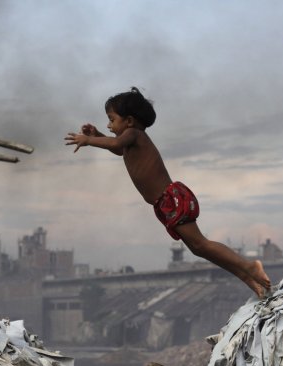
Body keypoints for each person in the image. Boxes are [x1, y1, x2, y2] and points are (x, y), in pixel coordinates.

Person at [65, 87, 272, 298]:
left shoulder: (133, 134)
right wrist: (98, 135)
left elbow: (117, 143)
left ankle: (250, 267)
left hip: (172, 200)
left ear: (128, 121)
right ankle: (249, 277)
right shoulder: (129, 140)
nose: (108, 125)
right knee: (198, 248)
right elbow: (118, 149)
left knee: (201, 243)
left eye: (111, 119)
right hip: (165, 204)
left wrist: (89, 140)